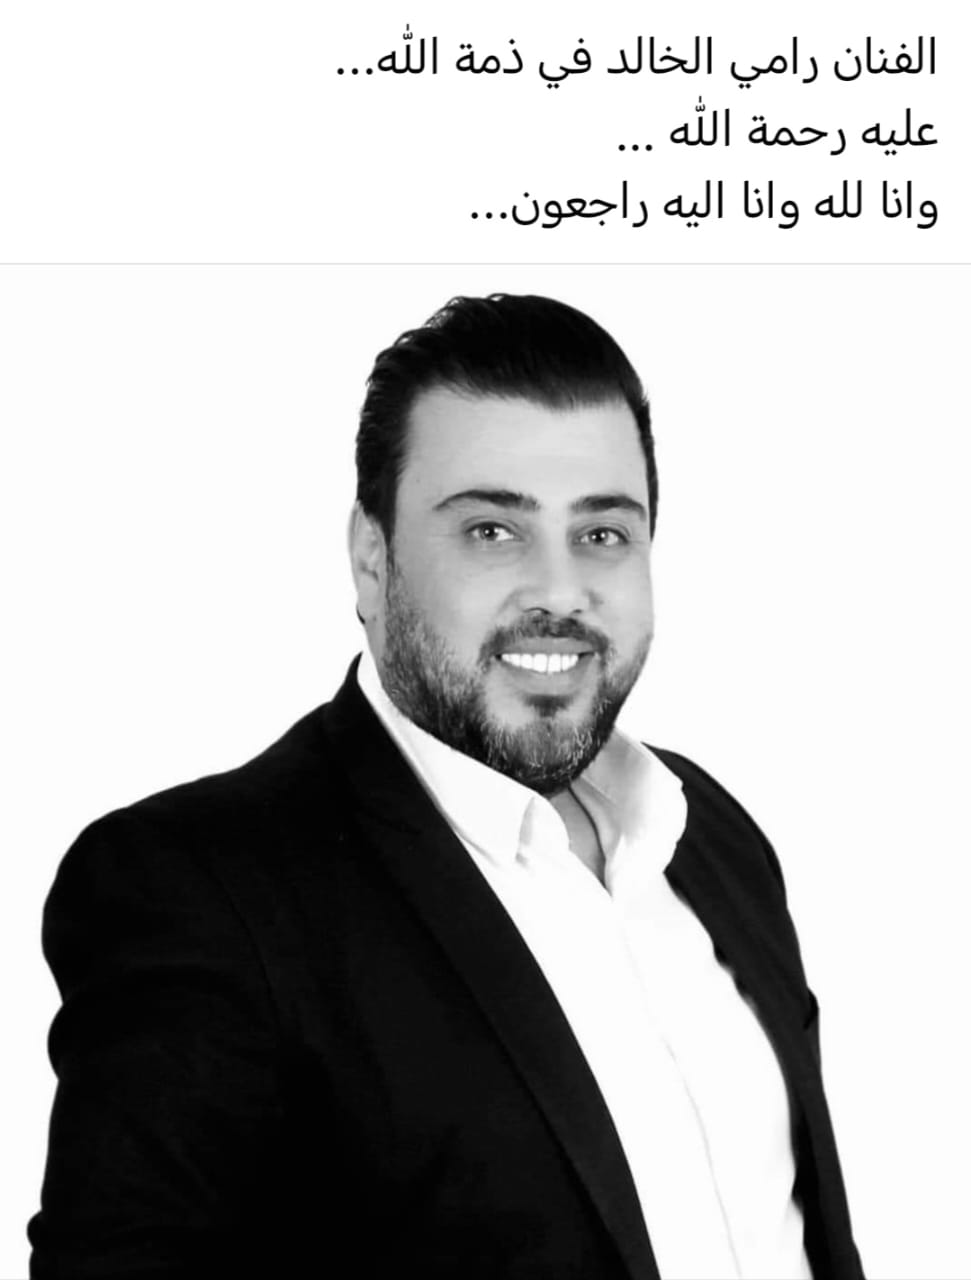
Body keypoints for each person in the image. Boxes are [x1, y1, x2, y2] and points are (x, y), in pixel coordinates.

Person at [29, 294, 863, 1280]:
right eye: (491, 531)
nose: (559, 591)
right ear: (370, 560)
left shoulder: (709, 834)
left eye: (602, 533)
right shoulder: (198, 889)